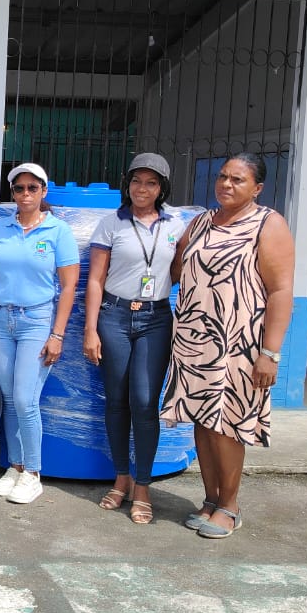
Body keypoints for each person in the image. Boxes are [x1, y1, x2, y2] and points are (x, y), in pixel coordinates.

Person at [161, 153, 295, 539]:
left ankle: (230, 506)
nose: (226, 184)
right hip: (195, 341)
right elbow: (175, 267)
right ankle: (210, 499)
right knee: (202, 422)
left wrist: (270, 353)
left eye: (238, 179)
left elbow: (281, 290)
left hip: (239, 343)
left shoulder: (268, 223)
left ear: (257, 188)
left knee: (228, 425)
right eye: (223, 177)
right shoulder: (201, 221)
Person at [82, 153, 184, 524]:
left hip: (156, 319)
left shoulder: (176, 225)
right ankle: (121, 477)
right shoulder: (111, 224)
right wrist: (90, 329)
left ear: (162, 188)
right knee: (117, 400)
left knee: (143, 401)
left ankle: (143, 486)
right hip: (114, 317)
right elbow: (95, 279)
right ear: (128, 184)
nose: (143, 188)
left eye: (151, 183)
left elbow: (179, 271)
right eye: (137, 181)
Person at [0, 162, 79, 504]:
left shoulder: (58, 231)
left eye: (32, 188)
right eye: (19, 188)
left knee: (25, 399)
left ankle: (33, 473)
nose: (25, 194)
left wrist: (57, 335)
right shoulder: (0, 229)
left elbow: (68, 287)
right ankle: (15, 466)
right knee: (9, 399)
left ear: (43, 191)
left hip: (35, 321)